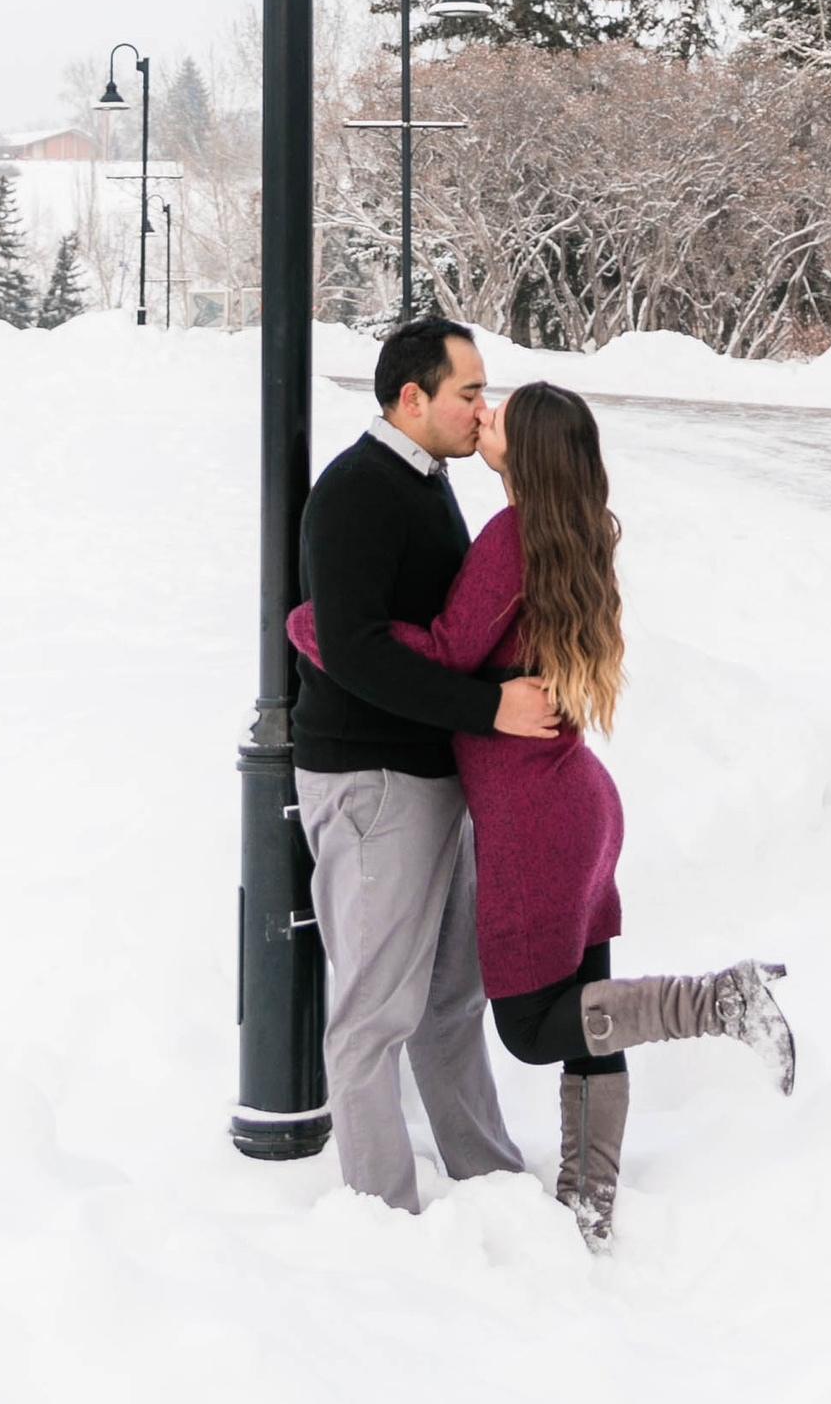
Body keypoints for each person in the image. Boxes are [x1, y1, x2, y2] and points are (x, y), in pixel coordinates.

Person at [290, 375, 792, 1244]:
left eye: (499, 416)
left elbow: (447, 651)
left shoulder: (513, 539)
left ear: (524, 457)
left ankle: (718, 1003)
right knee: (587, 1013)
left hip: (531, 819)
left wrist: (323, 627)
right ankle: (589, 1203)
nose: (482, 414)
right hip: (579, 803)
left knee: (531, 1028)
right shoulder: (577, 535)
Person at [289, 318, 561, 1212]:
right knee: (375, 1016)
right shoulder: (359, 491)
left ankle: (490, 1181)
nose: (484, 409)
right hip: (373, 783)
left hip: (431, 778)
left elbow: (447, 633)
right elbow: (357, 652)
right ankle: (382, 1218)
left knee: (450, 1001)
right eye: (469, 393)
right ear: (413, 399)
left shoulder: (425, 480)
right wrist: (491, 710)